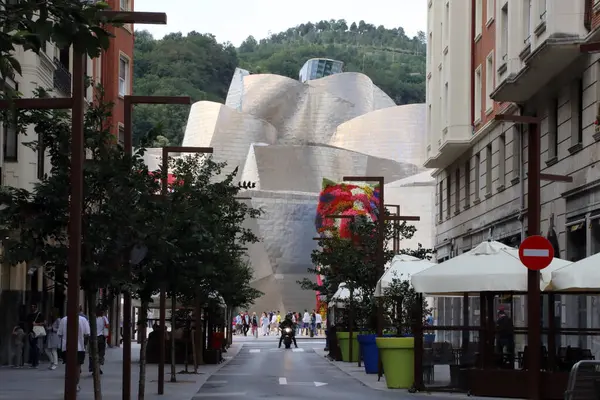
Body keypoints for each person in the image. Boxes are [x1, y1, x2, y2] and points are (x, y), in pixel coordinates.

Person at [58, 311, 91, 392]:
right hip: (79, 347)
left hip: (66, 347)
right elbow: (87, 333)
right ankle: (76, 384)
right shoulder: (83, 320)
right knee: (77, 366)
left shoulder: (64, 320)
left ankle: (69, 383)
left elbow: (59, 333)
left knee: (68, 366)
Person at [89, 307, 109, 375]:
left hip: (93, 337)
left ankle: (93, 368)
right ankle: (98, 367)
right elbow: (107, 326)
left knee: (92, 353)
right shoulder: (104, 318)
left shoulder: (92, 318)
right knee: (100, 353)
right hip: (101, 337)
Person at [26, 303, 45, 368]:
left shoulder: (40, 314)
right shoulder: (29, 315)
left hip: (36, 332)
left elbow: (44, 323)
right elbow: (28, 323)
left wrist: (36, 324)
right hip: (30, 332)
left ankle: (35, 362)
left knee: (35, 347)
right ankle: (33, 362)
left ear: (36, 307)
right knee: (33, 347)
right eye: (31, 307)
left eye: (34, 307)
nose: (32, 308)